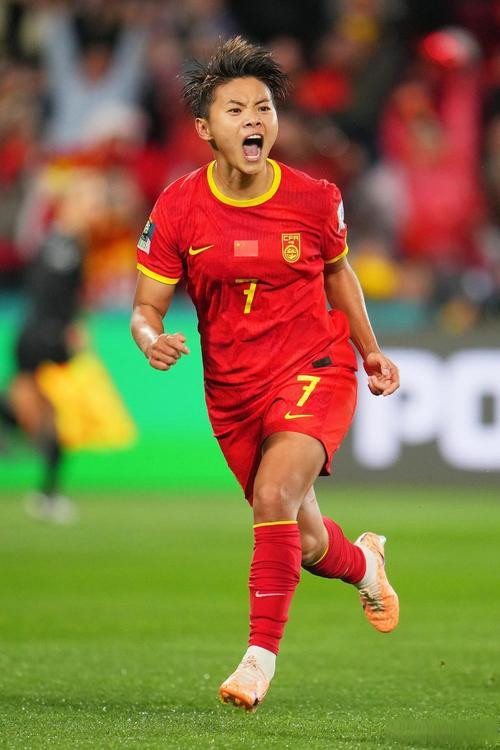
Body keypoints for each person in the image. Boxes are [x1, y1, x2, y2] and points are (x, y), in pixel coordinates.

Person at [131, 36, 400, 712]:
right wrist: (149, 338)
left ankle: (258, 660)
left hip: (315, 365)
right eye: (236, 110)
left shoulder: (315, 198)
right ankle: (364, 563)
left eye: (264, 107)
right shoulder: (178, 207)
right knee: (304, 541)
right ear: (205, 129)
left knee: (274, 495)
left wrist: (369, 350)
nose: (254, 120)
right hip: (233, 394)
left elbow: (338, 275)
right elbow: (145, 306)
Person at [0, 170, 109, 523]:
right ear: (72, 204)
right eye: (92, 202)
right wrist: (66, 330)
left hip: (37, 336)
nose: (98, 209)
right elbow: (50, 295)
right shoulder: (63, 248)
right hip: (42, 340)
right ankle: (47, 495)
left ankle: (46, 494)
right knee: (52, 419)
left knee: (44, 416)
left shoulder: (64, 243)